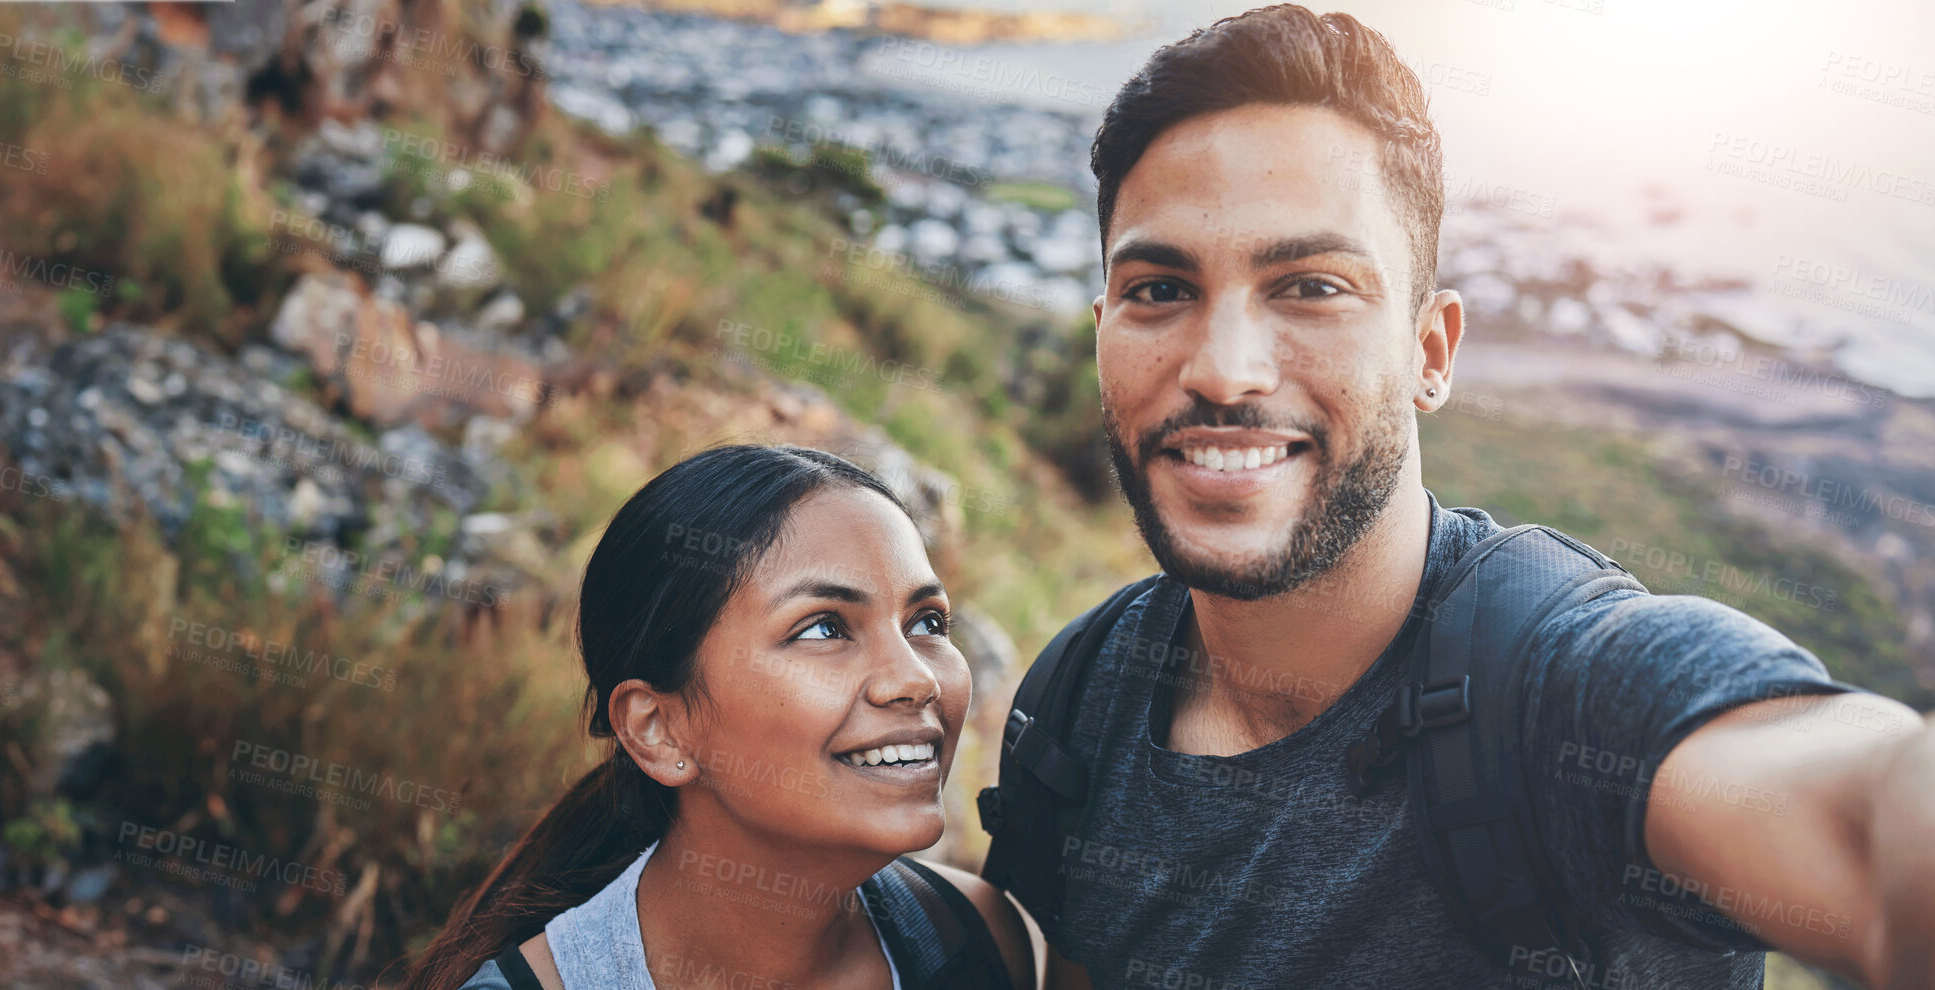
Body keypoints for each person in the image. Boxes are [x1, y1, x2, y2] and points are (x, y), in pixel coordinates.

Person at [991, 6, 1935, 989]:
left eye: (1312, 286)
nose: (1226, 372)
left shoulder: (1571, 701)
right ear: (1102, 331)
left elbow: (1861, 817)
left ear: (1430, 352)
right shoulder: (1077, 700)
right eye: (1159, 291)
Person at [402, 444, 1033, 990]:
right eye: (822, 628)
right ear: (656, 729)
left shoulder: (974, 936)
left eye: (927, 622)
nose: (917, 678)